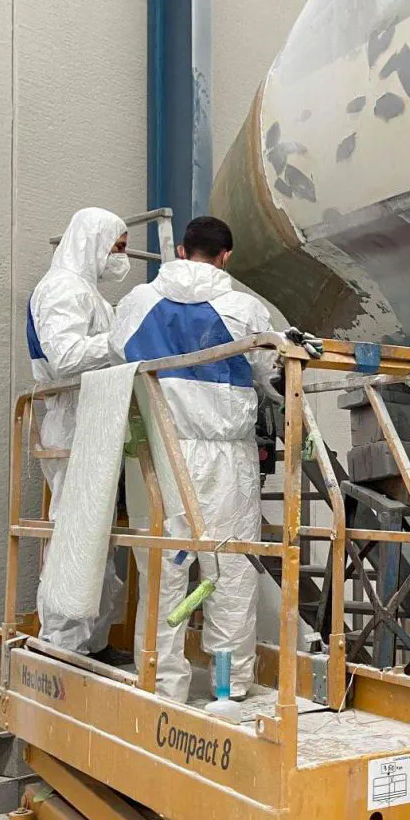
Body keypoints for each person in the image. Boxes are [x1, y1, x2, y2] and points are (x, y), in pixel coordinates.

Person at [110, 215, 280, 702]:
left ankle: (164, 685)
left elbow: (113, 356)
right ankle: (231, 685)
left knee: (163, 571)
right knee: (228, 569)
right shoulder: (244, 310)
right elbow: (270, 375)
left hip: (156, 453)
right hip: (225, 457)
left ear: (181, 251)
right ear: (226, 256)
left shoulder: (138, 302)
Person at [29, 207, 131, 659]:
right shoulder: (61, 289)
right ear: (94, 240)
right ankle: (63, 644)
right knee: (75, 535)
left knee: (97, 539)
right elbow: (66, 356)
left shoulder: (88, 293)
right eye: (118, 247)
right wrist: (125, 338)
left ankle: (91, 642)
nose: (121, 258)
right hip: (72, 422)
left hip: (95, 419)